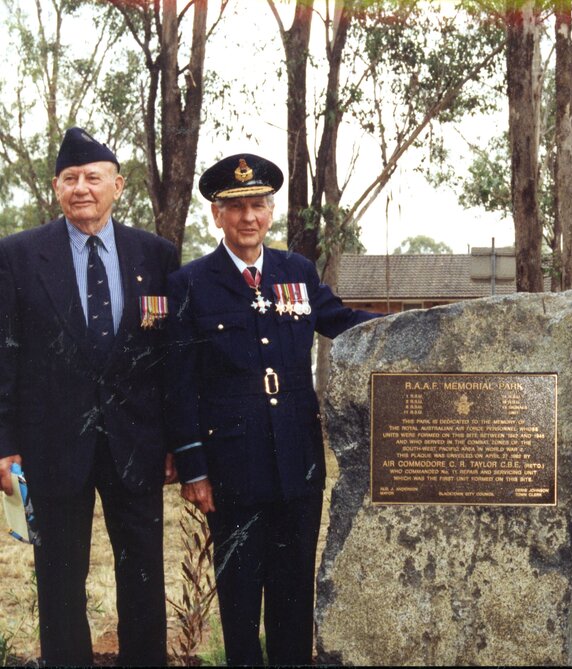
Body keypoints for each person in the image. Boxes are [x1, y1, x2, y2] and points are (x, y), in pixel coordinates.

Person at [165, 153, 380, 666]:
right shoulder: (190, 284)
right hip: (230, 471)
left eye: (258, 205)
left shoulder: (296, 271)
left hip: (298, 467)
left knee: (292, 598)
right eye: (235, 207)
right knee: (240, 606)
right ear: (216, 215)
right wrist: (194, 469)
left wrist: (424, 329)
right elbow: (178, 385)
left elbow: (342, 320)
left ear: (270, 210)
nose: (249, 218)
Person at [0, 127, 178, 665]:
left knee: (144, 576)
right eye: (70, 178)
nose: (82, 187)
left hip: (137, 443)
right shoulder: (18, 255)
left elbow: (168, 357)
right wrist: (4, 444)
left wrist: (174, 441)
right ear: (55, 187)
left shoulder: (157, 254)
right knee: (58, 582)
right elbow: (4, 354)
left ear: (117, 186)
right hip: (52, 445)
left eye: (93, 177)